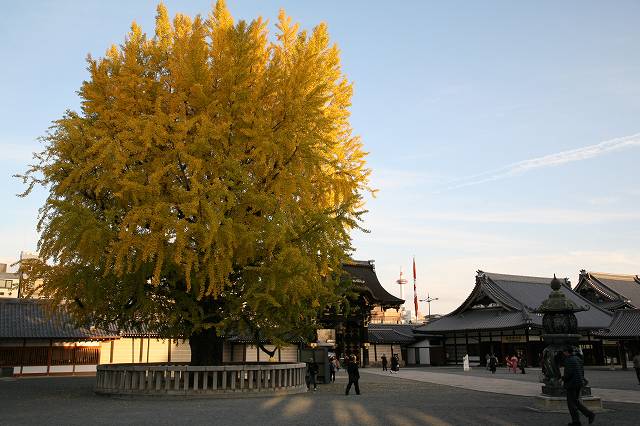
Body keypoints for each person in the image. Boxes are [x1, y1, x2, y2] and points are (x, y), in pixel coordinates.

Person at [563, 346, 595, 425]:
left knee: (571, 404)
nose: (563, 353)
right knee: (575, 401)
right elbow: (582, 371)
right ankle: (587, 415)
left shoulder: (568, 360)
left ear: (567, 352)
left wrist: (563, 378)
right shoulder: (578, 359)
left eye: (564, 351)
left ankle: (577, 421)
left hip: (571, 384)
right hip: (579, 383)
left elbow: (568, 374)